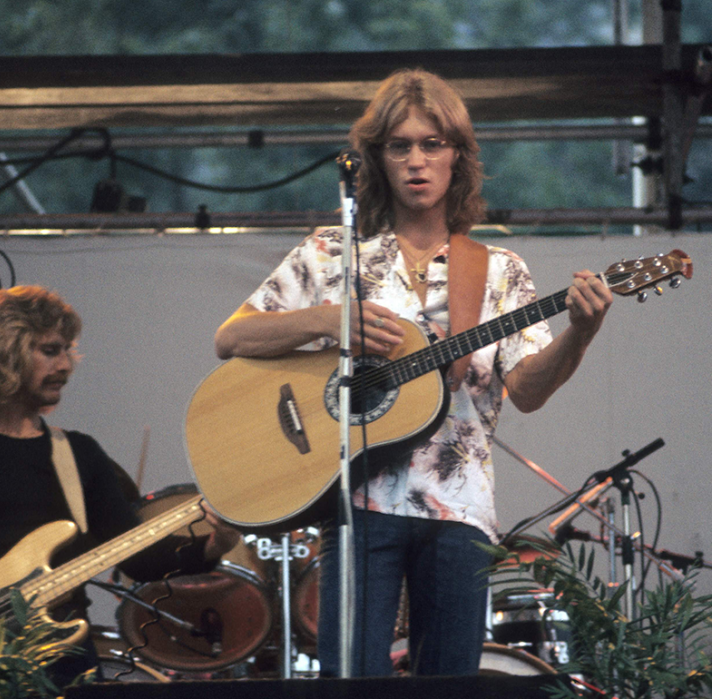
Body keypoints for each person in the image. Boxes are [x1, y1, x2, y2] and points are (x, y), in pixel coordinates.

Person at [213, 68, 612, 677]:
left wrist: (581, 332)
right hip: (358, 500)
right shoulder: (330, 252)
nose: (416, 162)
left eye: (432, 144)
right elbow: (232, 336)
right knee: (354, 681)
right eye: (400, 146)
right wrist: (327, 320)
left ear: (458, 156)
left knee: (449, 683)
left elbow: (527, 390)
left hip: (459, 508)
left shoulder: (498, 269)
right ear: (378, 159)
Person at [0, 285, 239, 682]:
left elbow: (136, 557)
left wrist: (213, 544)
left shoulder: (79, 454)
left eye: (68, 350)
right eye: (50, 351)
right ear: (6, 354)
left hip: (66, 657)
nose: (66, 365)